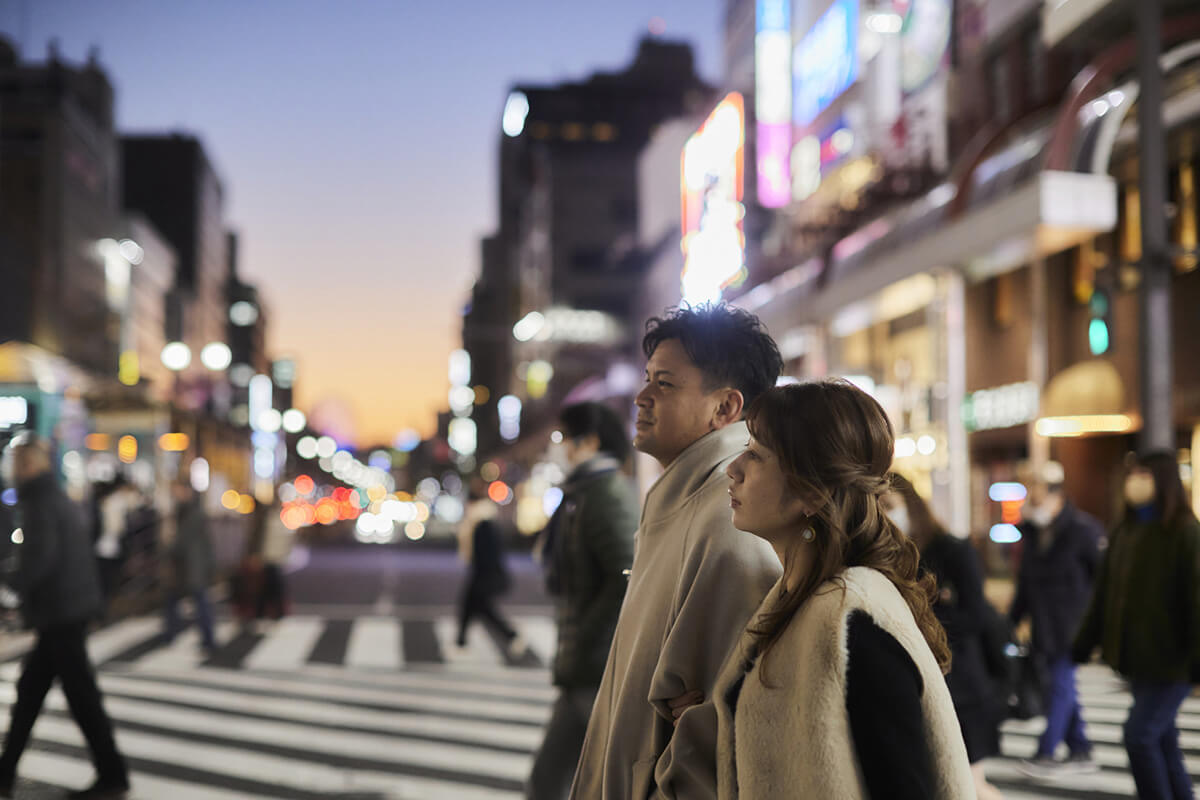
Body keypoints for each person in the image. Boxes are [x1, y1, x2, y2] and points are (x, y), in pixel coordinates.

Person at [689, 380, 972, 799]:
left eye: (758, 454)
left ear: (810, 492)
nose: (735, 468)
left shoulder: (851, 619)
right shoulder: (795, 600)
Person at [569, 303, 782, 800]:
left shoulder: (733, 515)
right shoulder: (689, 498)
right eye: (647, 379)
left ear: (726, 408)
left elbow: (722, 726)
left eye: (664, 384)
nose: (641, 398)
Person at [0, 433, 130, 799]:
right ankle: (7, 770)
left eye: (14, 463)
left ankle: (113, 775)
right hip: (65, 610)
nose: (11, 471)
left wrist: (11, 586)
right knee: (33, 692)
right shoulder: (54, 497)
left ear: (26, 465)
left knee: (80, 696)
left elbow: (39, 559)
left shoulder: (40, 501)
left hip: (61, 611)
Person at [1073, 451, 1200, 800]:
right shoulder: (1124, 532)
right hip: (1138, 661)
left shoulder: (1185, 533)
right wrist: (1083, 642)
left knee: (1139, 735)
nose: (1136, 480)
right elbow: (1103, 596)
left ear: (1164, 480)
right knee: (1162, 738)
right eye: (1134, 472)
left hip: (1173, 662)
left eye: (1145, 473)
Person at [527, 402, 638, 800]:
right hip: (584, 666)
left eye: (562, 439)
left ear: (588, 442)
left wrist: (589, 634)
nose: (557, 448)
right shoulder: (583, 493)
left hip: (598, 666)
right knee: (550, 779)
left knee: (599, 783)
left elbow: (626, 574)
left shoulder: (604, 495)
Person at [883, 472, 1005, 800]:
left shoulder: (952, 548)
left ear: (911, 503)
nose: (884, 514)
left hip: (962, 682)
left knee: (970, 784)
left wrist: (926, 624)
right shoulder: (889, 556)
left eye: (890, 505)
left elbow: (978, 614)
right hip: (924, 683)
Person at [1010, 461, 1102, 776]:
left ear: (1054, 494)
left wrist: (1097, 625)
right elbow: (1025, 582)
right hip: (1044, 626)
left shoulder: (1082, 530)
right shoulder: (1034, 533)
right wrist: (1012, 620)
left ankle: (1047, 750)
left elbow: (1101, 579)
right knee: (1061, 685)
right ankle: (1081, 748)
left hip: (1072, 625)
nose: (1030, 500)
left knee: (1059, 686)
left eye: (1035, 493)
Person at [456, 484, 520, 653]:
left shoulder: (481, 522)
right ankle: (461, 641)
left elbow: (484, 553)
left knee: (477, 608)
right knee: (474, 608)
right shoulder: (483, 519)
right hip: (484, 573)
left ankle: (511, 635)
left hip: (484, 574)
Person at [162, 479, 216, 651]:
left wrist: (167, 548)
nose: (176, 494)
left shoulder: (192, 513)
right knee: (180, 601)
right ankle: (172, 633)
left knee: (198, 602)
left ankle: (206, 639)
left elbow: (181, 542)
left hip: (191, 567)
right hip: (187, 567)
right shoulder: (187, 511)